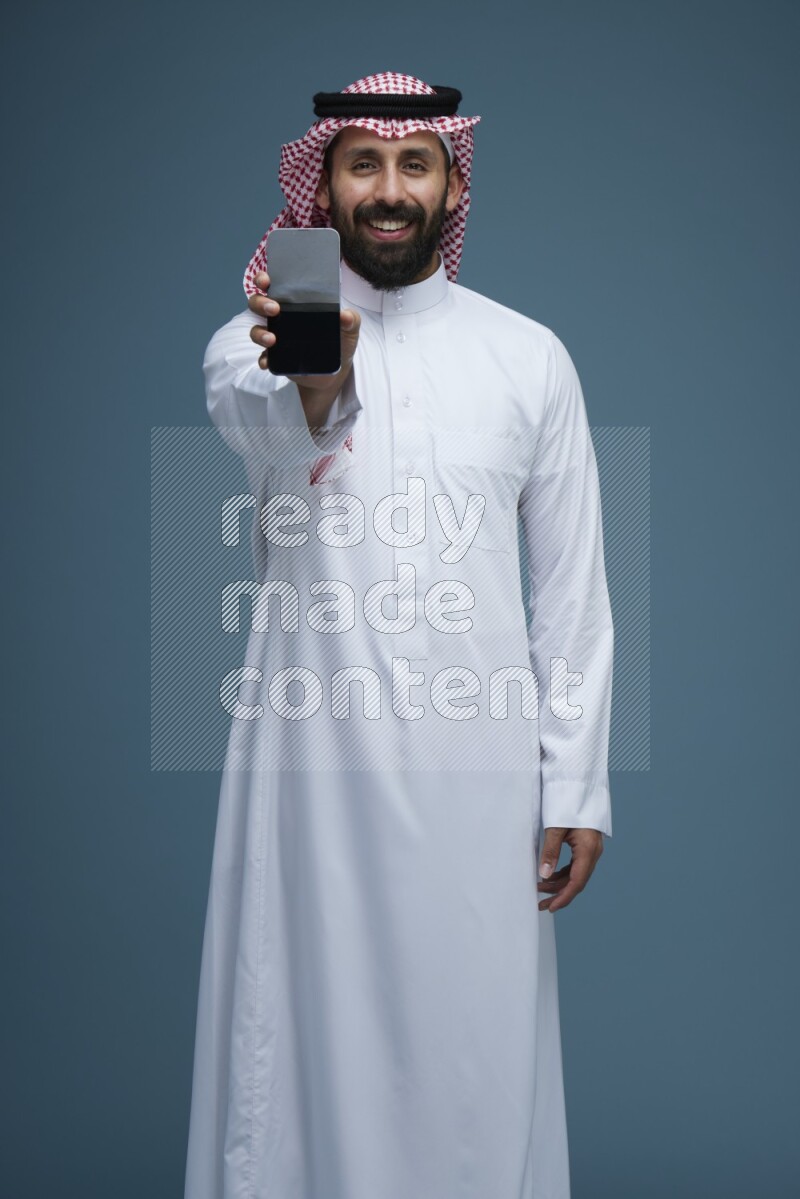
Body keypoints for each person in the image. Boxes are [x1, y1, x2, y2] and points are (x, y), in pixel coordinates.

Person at [184, 72, 614, 1199]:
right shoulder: (252, 336)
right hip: (310, 770)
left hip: (479, 775)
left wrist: (573, 783)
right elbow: (264, 420)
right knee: (302, 1049)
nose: (386, 189)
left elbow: (569, 588)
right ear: (322, 182)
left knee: (477, 1048)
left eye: (411, 164)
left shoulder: (529, 357)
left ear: (450, 183)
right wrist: (317, 376)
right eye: (360, 163)